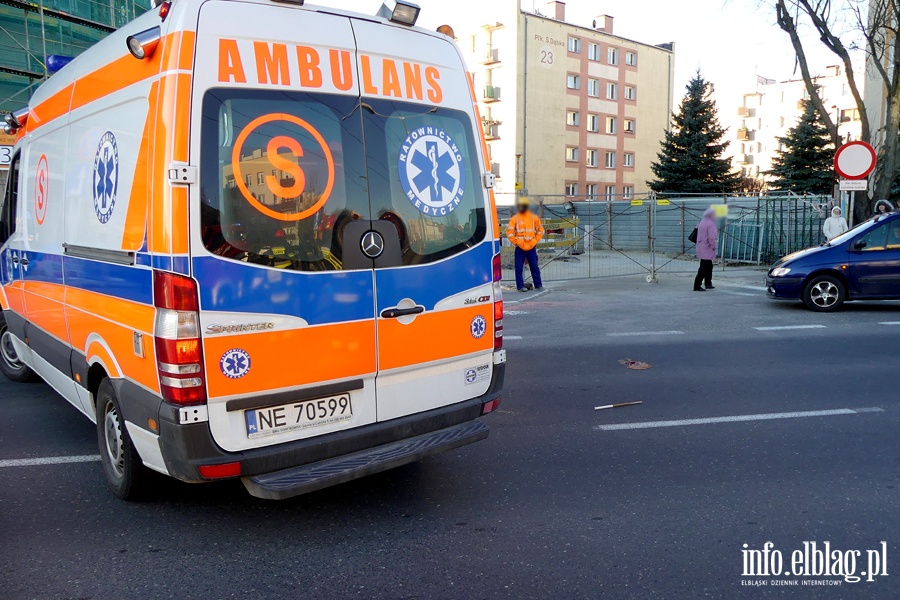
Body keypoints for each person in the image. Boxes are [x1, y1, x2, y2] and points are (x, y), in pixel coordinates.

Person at [507, 197, 545, 292]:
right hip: (521, 247)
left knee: (534, 266)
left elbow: (540, 230)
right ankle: (520, 286)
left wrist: (534, 241)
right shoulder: (515, 218)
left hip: (530, 246)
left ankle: (538, 285)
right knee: (519, 268)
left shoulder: (533, 218)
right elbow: (509, 232)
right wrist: (517, 242)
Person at [693, 208, 718, 292]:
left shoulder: (702, 221)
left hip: (701, 246)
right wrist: (714, 247)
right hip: (707, 247)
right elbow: (712, 237)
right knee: (704, 266)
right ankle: (697, 285)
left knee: (708, 265)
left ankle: (708, 283)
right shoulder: (711, 224)